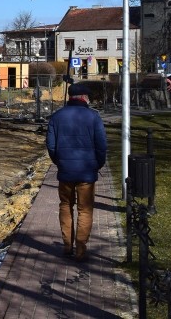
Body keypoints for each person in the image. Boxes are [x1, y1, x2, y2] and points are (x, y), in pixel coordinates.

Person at [46, 82, 107, 261]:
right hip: (87, 172)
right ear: (84, 98)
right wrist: (98, 164)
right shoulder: (93, 117)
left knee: (65, 206)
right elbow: (101, 146)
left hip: (65, 171)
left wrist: (59, 162)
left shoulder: (56, 117)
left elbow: (51, 145)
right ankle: (80, 249)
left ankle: (67, 245)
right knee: (85, 210)